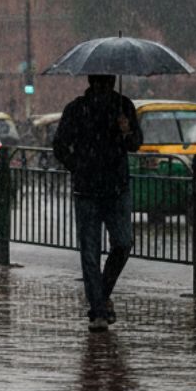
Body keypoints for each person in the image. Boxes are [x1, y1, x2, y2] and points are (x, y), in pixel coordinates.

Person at [53, 74, 142, 332]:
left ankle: (100, 297)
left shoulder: (124, 106)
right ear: (93, 82)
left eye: (107, 82)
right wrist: (77, 167)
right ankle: (99, 311)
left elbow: (136, 143)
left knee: (123, 243)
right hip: (87, 190)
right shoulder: (77, 109)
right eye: (100, 82)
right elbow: (59, 144)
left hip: (116, 188)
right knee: (90, 252)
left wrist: (127, 130)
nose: (104, 86)